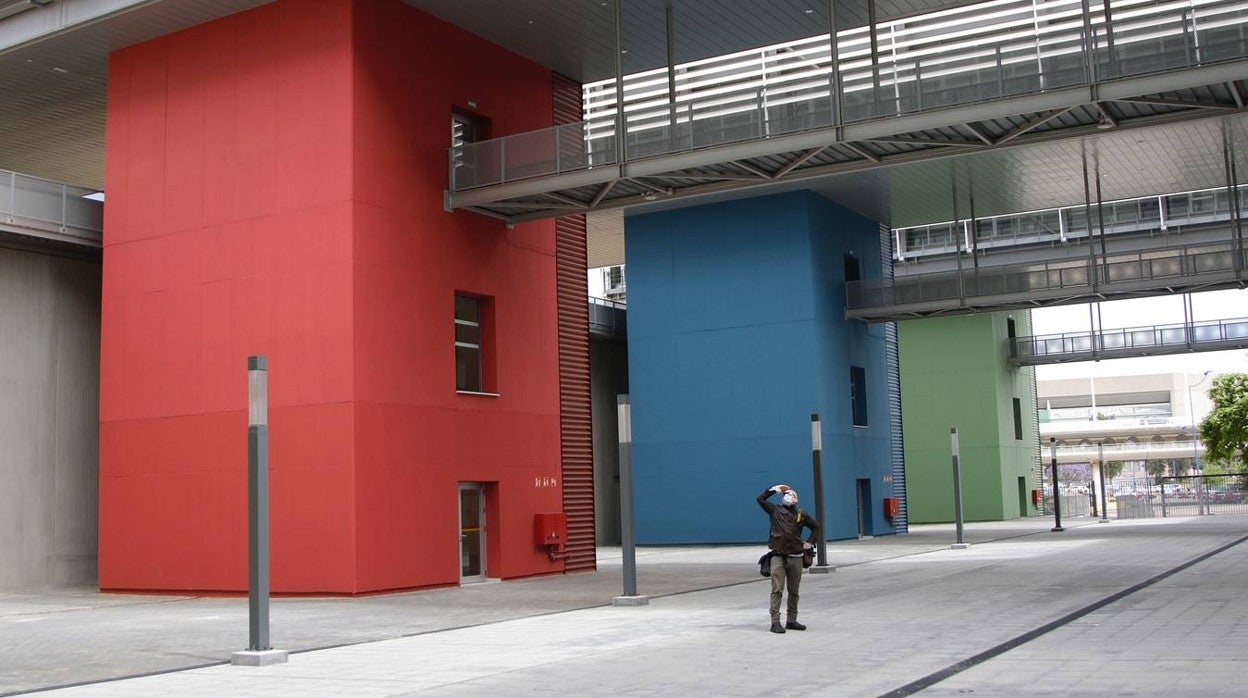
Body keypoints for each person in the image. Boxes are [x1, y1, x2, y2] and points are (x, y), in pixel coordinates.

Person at [757, 483, 821, 634]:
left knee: (794, 590)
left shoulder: (801, 514)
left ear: (796, 499)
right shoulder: (775, 510)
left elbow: (816, 527)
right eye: (786, 495)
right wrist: (774, 490)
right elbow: (760, 499)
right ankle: (775, 622)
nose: (787, 497)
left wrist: (810, 542)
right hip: (778, 556)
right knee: (777, 589)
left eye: (790, 495)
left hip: (796, 557)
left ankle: (791, 620)